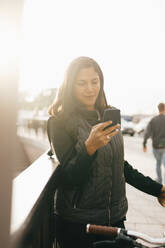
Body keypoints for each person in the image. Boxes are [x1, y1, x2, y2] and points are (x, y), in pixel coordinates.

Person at [47, 56, 165, 248]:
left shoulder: (108, 115)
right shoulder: (59, 122)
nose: (90, 89)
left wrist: (158, 190)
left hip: (114, 221)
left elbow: (120, 166)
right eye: (81, 83)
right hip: (79, 225)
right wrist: (89, 147)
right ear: (70, 86)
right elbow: (69, 177)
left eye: (95, 81)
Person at [143, 102, 165, 184]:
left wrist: (144, 144)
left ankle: (159, 180)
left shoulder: (153, 120)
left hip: (156, 146)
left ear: (158, 109)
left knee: (158, 163)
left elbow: (147, 133)